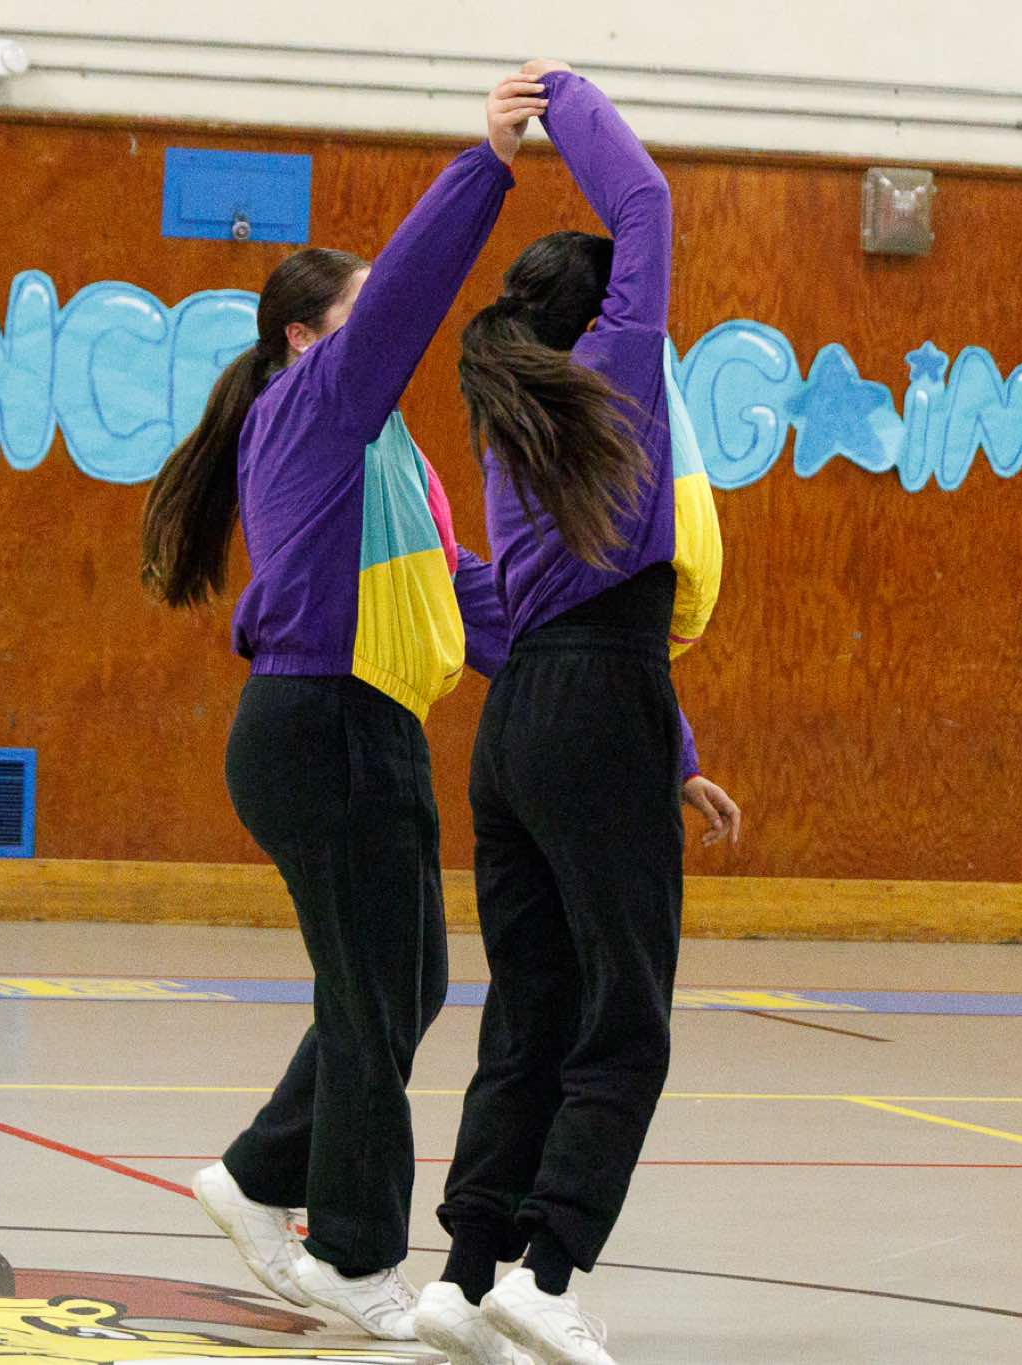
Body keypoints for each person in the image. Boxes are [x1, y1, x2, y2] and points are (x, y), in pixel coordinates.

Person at [137, 74, 546, 1343]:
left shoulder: (384, 460)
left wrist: (629, 707)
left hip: (358, 731)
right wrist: (485, 164)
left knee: (402, 987)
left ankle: (258, 1174)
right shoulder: (311, 407)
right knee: (374, 1003)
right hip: (322, 727)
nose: (387, 335)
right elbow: (415, 292)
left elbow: (471, 598)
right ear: (308, 338)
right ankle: (353, 1256)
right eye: (362, 317)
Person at [417, 62, 738, 1365]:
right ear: (608, 314)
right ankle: (547, 1276)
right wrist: (566, 92)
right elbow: (644, 200)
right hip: (601, 706)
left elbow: (545, 622)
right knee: (627, 1013)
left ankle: (460, 1279)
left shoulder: (511, 428)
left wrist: (674, 750)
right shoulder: (613, 378)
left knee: (530, 1008)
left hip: (523, 729)